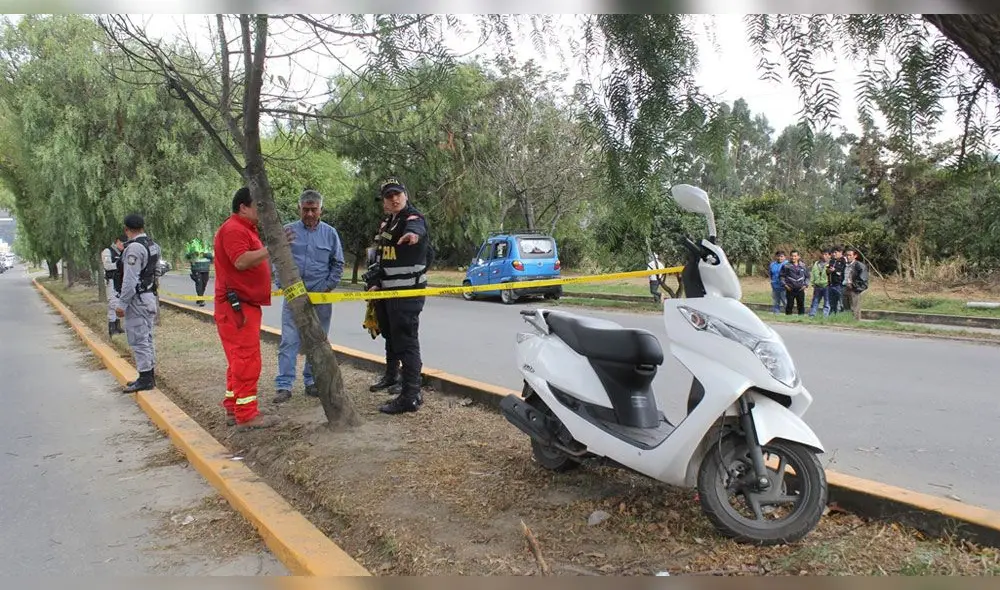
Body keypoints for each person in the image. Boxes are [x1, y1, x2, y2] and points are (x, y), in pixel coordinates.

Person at [213, 187, 280, 430]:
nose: (262, 211)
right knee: (246, 359)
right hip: (237, 307)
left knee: (238, 360)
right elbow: (240, 261)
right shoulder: (234, 229)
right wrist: (271, 249)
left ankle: (234, 407)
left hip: (241, 305)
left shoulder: (244, 229)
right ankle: (247, 414)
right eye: (258, 205)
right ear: (243, 206)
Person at [364, 178, 430, 414]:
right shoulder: (387, 223)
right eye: (389, 196)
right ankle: (392, 376)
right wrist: (373, 282)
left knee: (407, 341)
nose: (394, 199)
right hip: (386, 292)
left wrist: (412, 236)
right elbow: (378, 256)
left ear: (406, 195)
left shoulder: (413, 218)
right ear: (384, 202)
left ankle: (411, 394)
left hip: (407, 294)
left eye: (398, 194)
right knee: (390, 336)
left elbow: (416, 230)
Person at [273, 189, 345, 404]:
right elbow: (277, 261)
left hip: (321, 298)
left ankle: (311, 382)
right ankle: (284, 386)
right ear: (299, 209)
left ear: (321, 209)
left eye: (314, 209)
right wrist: (284, 286)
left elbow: (338, 263)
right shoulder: (288, 232)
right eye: (306, 210)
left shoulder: (330, 234)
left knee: (316, 342)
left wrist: (328, 286)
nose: (310, 214)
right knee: (289, 341)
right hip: (294, 298)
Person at [115, 214, 161, 394]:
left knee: (138, 339)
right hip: (148, 296)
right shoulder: (153, 245)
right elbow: (158, 270)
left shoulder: (134, 248)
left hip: (137, 299)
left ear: (127, 229)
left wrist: (122, 304)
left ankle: (145, 378)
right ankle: (148, 374)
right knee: (147, 338)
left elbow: (129, 280)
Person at [102, 235, 126, 337]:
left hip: (119, 281)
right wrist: (119, 264)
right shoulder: (108, 251)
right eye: (122, 244)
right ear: (117, 242)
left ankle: (117, 326)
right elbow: (107, 266)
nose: (124, 246)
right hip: (111, 280)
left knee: (117, 302)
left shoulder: (121, 253)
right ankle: (112, 327)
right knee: (113, 303)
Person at [185, 238, 214, 307]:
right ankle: (201, 300)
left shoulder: (207, 242)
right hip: (196, 267)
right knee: (199, 283)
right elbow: (187, 255)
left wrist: (205, 254)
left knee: (204, 283)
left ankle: (199, 297)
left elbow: (211, 256)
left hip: (205, 267)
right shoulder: (191, 243)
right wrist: (193, 254)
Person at [780, 250, 808, 315]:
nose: (793, 258)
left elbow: (807, 277)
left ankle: (801, 319)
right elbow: (781, 277)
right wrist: (785, 285)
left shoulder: (803, 265)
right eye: (792, 256)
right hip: (790, 289)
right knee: (789, 305)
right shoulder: (786, 266)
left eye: (795, 256)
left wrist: (805, 285)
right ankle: (788, 319)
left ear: (798, 257)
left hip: (800, 289)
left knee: (801, 305)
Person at [843, 248, 869, 321]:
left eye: (850, 255)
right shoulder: (845, 265)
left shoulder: (859, 266)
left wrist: (854, 286)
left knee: (854, 308)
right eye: (847, 255)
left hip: (854, 290)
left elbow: (863, 280)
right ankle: (847, 322)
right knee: (846, 308)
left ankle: (855, 323)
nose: (848, 257)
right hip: (845, 288)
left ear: (855, 256)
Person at [808, 248, 831, 318]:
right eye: (823, 254)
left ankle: (825, 317)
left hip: (827, 286)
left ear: (829, 255)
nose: (824, 256)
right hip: (817, 285)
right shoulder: (816, 263)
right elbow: (813, 273)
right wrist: (812, 283)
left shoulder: (831, 264)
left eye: (826, 254)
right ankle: (812, 315)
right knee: (815, 301)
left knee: (827, 302)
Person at [826, 245, 847, 314]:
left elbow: (843, 271)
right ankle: (832, 317)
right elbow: (828, 271)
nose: (834, 254)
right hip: (831, 284)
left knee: (841, 304)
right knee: (832, 303)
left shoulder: (844, 261)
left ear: (841, 252)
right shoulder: (832, 261)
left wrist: (835, 270)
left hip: (840, 285)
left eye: (835, 252)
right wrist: (828, 271)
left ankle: (840, 318)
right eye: (833, 253)